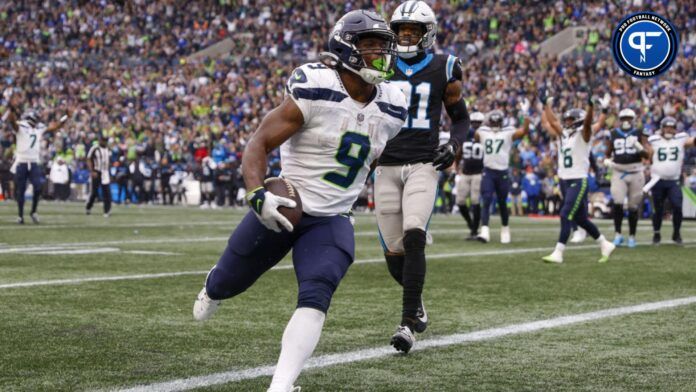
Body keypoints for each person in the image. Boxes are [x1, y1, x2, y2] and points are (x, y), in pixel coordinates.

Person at [192, 11, 406, 392]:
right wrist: (259, 195)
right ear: (346, 48)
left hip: (332, 218)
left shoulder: (393, 102)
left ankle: (281, 385)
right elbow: (258, 142)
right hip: (285, 205)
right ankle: (213, 286)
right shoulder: (317, 86)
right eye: (370, 46)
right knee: (228, 282)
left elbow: (371, 158)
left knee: (317, 290)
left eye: (382, 46)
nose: (380, 54)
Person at [373, 0, 469, 353]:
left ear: (426, 33)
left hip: (423, 164)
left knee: (415, 235)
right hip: (386, 165)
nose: (407, 35)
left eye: (413, 30)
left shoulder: (445, 67)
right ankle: (418, 304)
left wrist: (454, 145)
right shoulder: (381, 66)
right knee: (394, 254)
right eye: (402, 30)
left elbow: (460, 118)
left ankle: (407, 324)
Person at [539, 88, 615, 263]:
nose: (567, 122)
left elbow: (589, 123)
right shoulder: (564, 135)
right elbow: (553, 121)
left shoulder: (584, 134)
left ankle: (558, 252)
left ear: (578, 120)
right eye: (566, 119)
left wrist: (590, 107)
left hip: (578, 180)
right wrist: (546, 105)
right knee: (581, 218)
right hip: (564, 180)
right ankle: (605, 244)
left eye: (570, 119)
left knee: (565, 214)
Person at [2, 91, 71, 223]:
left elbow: (55, 126)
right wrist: (11, 108)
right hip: (22, 162)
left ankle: (33, 211)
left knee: (39, 187)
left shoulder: (38, 128)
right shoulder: (21, 127)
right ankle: (20, 216)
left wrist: (65, 117)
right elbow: (12, 122)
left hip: (33, 162)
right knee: (20, 190)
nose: (37, 122)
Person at [475, 103, 530, 243]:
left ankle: (505, 228)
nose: (494, 123)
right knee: (486, 200)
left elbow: (523, 131)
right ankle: (484, 231)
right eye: (492, 121)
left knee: (502, 202)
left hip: (502, 172)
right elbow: (474, 134)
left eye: (496, 121)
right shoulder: (483, 131)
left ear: (501, 122)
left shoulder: (508, 131)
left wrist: (526, 115)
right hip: (488, 171)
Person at [604, 108, 650, 248]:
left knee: (633, 206)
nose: (626, 121)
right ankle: (618, 234)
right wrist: (607, 160)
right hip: (619, 171)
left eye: (628, 118)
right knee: (617, 202)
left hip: (636, 171)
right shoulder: (613, 133)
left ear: (633, 119)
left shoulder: (639, 132)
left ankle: (632, 236)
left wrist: (639, 148)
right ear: (619, 119)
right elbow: (608, 152)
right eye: (623, 118)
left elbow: (647, 155)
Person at [647, 116, 694, 245]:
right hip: (657, 180)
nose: (669, 129)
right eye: (666, 127)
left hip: (674, 180)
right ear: (661, 128)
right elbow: (646, 155)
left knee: (677, 206)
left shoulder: (681, 138)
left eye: (671, 127)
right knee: (658, 208)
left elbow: (693, 141)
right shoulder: (654, 140)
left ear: (675, 129)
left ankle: (676, 233)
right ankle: (656, 233)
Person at [456, 111, 485, 239]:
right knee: (460, 201)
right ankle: (471, 223)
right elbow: (459, 152)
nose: (475, 125)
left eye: (478, 123)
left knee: (475, 201)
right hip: (466, 173)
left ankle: (474, 230)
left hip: (478, 173)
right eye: (473, 122)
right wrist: (456, 166)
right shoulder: (466, 135)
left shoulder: (486, 136)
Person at [86, 135, 112, 217]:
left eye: (105, 140)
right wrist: (92, 171)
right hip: (97, 171)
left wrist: (109, 171)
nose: (104, 142)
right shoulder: (95, 148)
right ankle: (89, 207)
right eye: (103, 140)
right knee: (94, 192)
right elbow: (89, 159)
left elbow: (108, 161)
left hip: (105, 172)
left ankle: (106, 211)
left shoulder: (108, 149)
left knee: (107, 192)